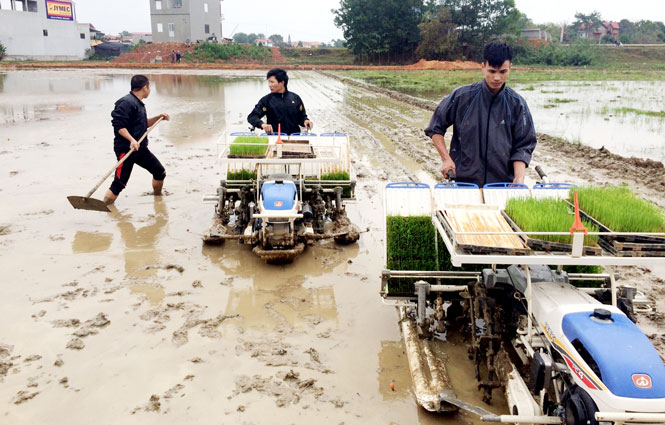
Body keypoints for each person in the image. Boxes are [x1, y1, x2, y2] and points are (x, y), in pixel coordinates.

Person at [424, 41, 537, 187]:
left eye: (503, 72)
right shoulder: (461, 97)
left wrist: (518, 178)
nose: (497, 78)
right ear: (483, 68)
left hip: (501, 185)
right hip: (464, 183)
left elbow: (524, 144)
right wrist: (446, 159)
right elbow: (435, 127)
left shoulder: (517, 104)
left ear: (510, 68)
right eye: (492, 71)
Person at [103, 75, 170, 205]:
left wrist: (159, 117)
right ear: (145, 87)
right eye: (149, 86)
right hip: (126, 149)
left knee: (159, 172)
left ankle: (158, 199)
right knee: (119, 184)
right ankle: (105, 207)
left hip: (140, 149)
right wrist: (132, 140)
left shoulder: (138, 104)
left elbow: (143, 124)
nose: (149, 89)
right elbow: (119, 126)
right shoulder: (126, 103)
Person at [247, 68, 313, 135]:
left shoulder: (295, 98)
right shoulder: (266, 100)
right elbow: (252, 117)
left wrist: (305, 121)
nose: (269, 85)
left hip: (294, 137)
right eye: (269, 82)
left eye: (272, 82)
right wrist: (262, 125)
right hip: (274, 137)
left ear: (282, 82)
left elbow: (301, 117)